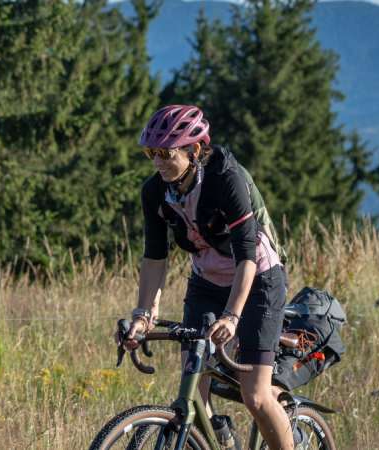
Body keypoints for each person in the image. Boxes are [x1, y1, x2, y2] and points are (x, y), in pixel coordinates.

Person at [118, 105, 294, 449]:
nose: (156, 162)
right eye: (150, 153)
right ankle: (222, 439)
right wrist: (142, 316)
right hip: (207, 281)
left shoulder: (226, 178)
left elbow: (247, 256)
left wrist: (232, 316)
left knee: (256, 396)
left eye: (165, 153)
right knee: (193, 389)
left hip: (257, 279)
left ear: (194, 150)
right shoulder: (155, 192)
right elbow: (155, 257)